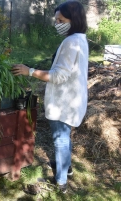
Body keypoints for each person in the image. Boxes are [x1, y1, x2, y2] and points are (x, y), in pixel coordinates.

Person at [11, 0, 88, 193]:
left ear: (74, 20)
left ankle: (61, 183)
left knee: (60, 138)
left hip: (64, 100)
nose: (57, 24)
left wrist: (30, 71)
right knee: (65, 135)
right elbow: (65, 71)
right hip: (72, 98)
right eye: (56, 20)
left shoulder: (71, 42)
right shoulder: (80, 39)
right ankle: (67, 168)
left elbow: (58, 76)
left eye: (61, 20)